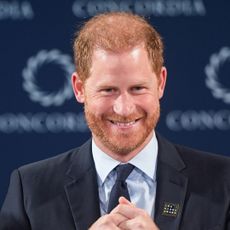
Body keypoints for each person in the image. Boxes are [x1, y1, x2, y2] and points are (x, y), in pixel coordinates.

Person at [1, 12, 230, 230]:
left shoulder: (223, 183)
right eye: (108, 90)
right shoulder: (31, 189)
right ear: (79, 88)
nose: (124, 109)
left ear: (161, 83)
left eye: (138, 88)